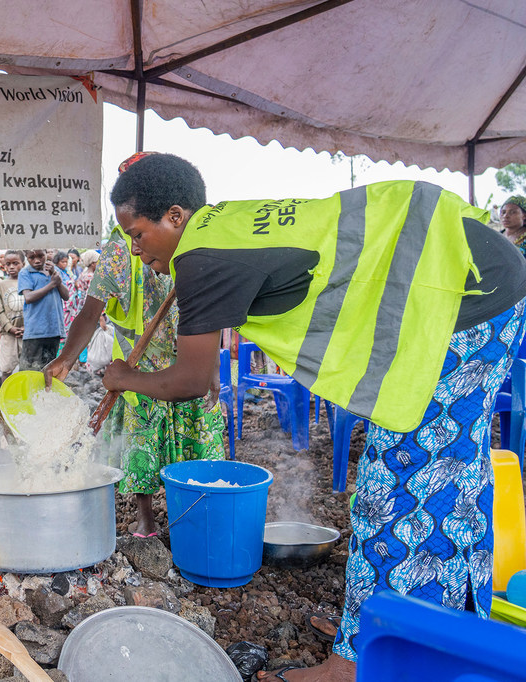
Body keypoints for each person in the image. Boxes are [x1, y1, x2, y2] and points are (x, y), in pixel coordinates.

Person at [105, 153, 526, 682]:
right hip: (476, 271)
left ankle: (360, 661)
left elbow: (192, 382)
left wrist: (124, 378)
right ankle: (394, 625)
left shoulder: (202, 255)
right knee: (453, 474)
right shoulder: (221, 230)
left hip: (460, 288)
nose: (135, 250)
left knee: (403, 481)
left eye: (138, 235)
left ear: (175, 216)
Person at [45, 154, 224, 537]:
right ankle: (146, 519)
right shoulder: (118, 252)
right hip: (138, 367)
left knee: (199, 441)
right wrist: (66, 358)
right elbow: (91, 313)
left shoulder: (198, 244)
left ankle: (198, 519)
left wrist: (211, 368)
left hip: (188, 360)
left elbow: (214, 314)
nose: (136, 242)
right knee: (141, 444)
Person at [18, 249, 69, 370]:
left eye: (41, 256)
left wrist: (56, 279)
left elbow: (66, 296)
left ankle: (45, 390)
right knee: (29, 369)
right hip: (35, 331)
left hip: (53, 329)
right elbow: (29, 297)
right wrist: (52, 284)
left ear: (47, 254)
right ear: (26, 257)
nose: (37, 260)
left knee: (48, 368)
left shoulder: (55, 272)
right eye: (31, 257)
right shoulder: (25, 273)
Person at [0, 251, 26, 382]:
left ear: (23, 264)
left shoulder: (29, 283)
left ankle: (25, 398)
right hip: (8, 334)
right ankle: (4, 400)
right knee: (6, 368)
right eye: (8, 264)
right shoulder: (1, 285)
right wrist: (9, 328)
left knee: (26, 368)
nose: (11, 267)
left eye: (15, 263)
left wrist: (28, 327)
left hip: (27, 333)